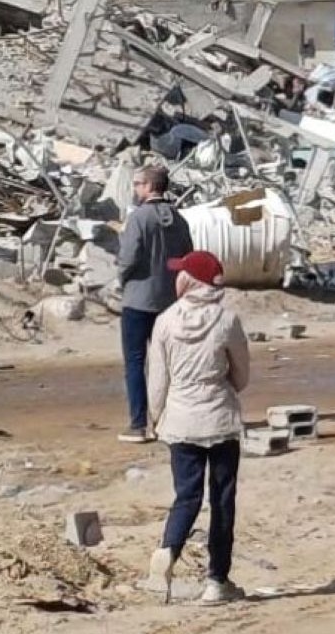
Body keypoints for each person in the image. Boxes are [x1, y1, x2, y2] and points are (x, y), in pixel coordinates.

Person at [143, 251, 251, 605]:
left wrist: (155, 417)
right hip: (219, 419)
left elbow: (158, 380)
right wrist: (224, 386)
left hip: (180, 421)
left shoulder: (164, 321)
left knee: (186, 496)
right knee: (222, 501)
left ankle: (168, 551)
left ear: (189, 280)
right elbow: (242, 376)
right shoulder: (227, 320)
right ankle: (217, 581)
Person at [117, 165, 194, 444]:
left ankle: (139, 424)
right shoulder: (179, 219)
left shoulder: (139, 218)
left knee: (136, 362)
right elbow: (187, 260)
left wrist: (121, 280)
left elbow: (128, 258)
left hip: (138, 300)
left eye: (138, 184)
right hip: (170, 301)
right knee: (171, 363)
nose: (135, 189)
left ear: (149, 186)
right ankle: (172, 420)